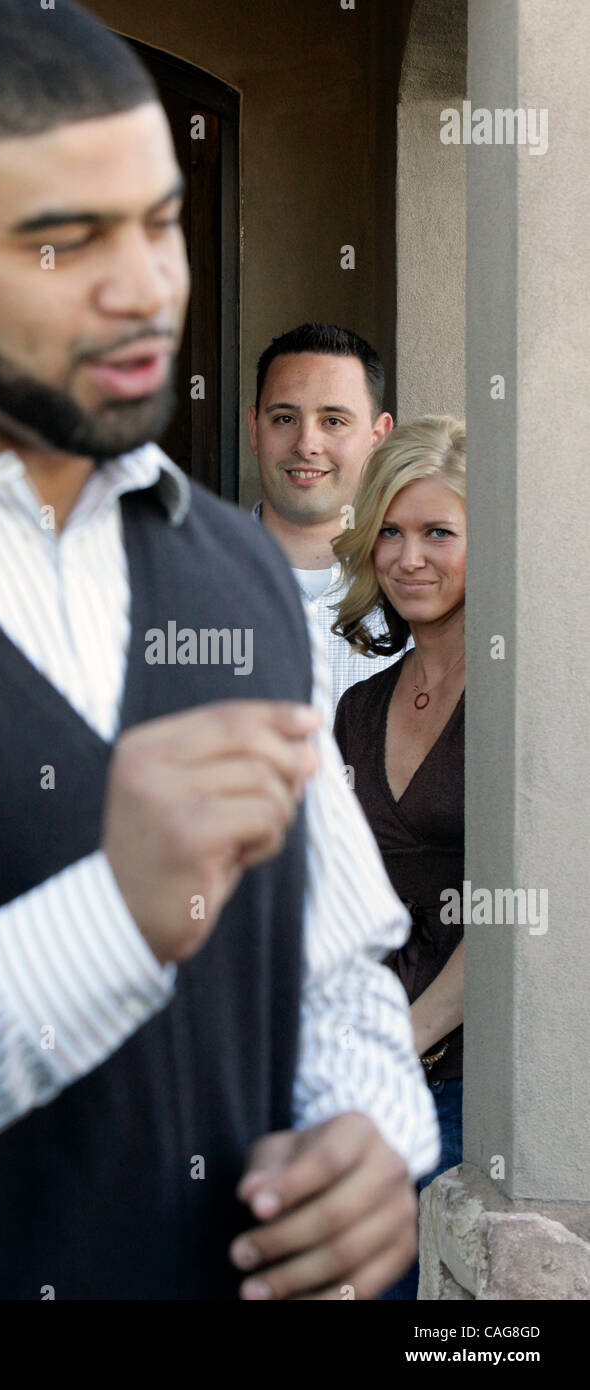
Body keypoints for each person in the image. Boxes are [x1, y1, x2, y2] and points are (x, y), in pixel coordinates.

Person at [0, 0, 438, 1300]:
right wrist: (109, 921)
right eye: (63, 237)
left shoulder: (232, 567)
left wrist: (371, 1129)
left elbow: (334, 968)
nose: (147, 282)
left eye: (157, 221)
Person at [332, 416, 466, 1299]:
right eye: (390, 530)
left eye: (439, 533)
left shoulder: (529, 695)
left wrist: (408, 1043)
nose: (409, 556)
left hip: (472, 1077)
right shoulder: (359, 707)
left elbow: (529, 908)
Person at [248, 322, 410, 714]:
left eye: (333, 421)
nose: (306, 445)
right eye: (285, 418)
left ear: (377, 436)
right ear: (254, 430)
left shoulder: (419, 592)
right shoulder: (180, 586)